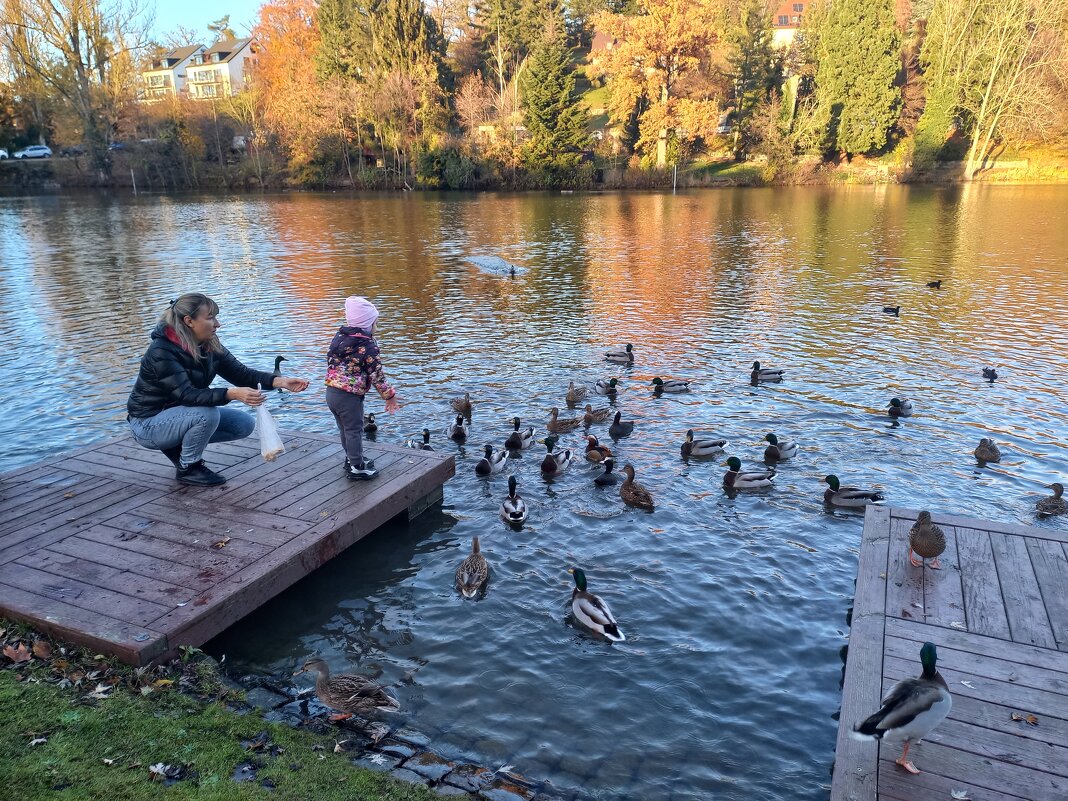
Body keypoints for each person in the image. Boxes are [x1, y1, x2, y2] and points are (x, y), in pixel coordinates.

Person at [127, 293, 310, 486]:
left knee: (243, 424)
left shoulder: (208, 344)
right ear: (189, 321)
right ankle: (189, 468)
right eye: (210, 318)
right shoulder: (161, 352)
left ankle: (179, 447)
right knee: (206, 414)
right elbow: (186, 395)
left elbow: (243, 374)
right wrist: (230, 393)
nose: (218, 324)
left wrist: (280, 382)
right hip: (148, 424)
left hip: (181, 416)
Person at [325, 296, 400, 480]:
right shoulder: (367, 346)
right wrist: (389, 396)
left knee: (344, 430)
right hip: (349, 397)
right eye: (376, 323)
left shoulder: (339, 337)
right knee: (354, 431)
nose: (377, 327)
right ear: (368, 324)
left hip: (331, 392)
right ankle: (357, 467)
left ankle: (351, 459)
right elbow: (377, 375)